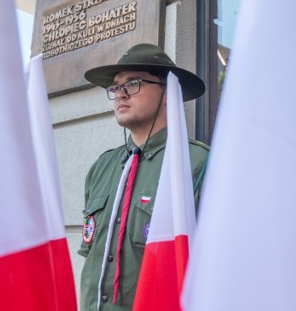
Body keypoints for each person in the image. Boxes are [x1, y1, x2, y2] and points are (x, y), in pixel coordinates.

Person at [78, 43, 209, 311]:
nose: (120, 94)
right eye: (116, 87)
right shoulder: (102, 167)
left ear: (167, 93)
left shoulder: (196, 164)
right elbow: (91, 256)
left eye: (133, 83)